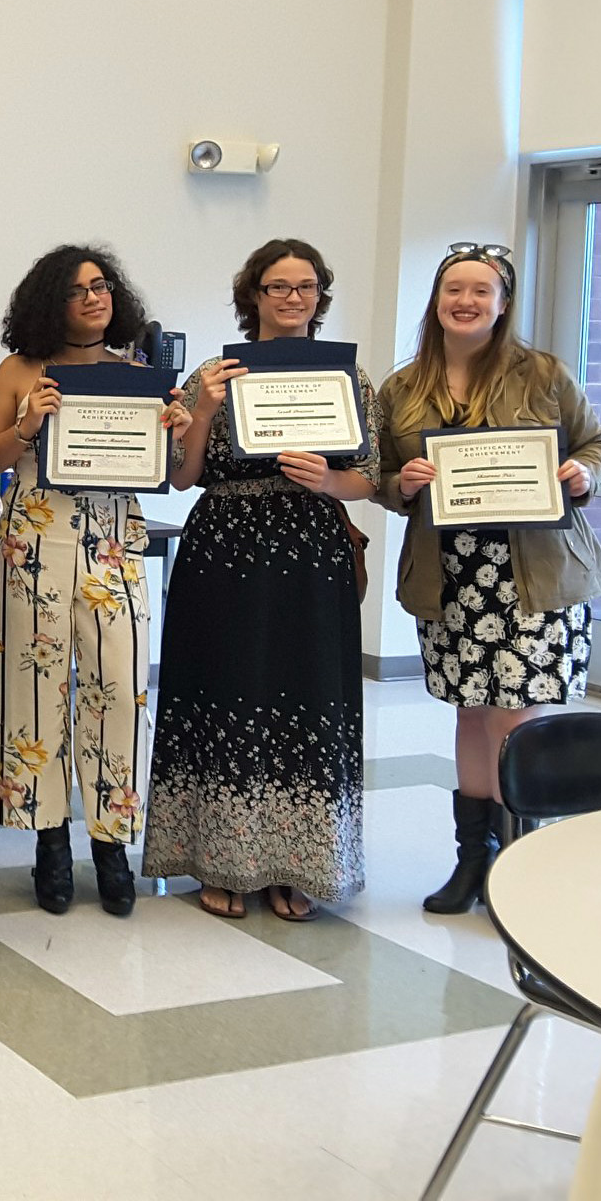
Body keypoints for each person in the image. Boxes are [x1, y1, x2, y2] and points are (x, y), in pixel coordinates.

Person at [140, 240, 378, 920]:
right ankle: (218, 861)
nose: (293, 298)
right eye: (278, 287)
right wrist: (207, 409)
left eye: (305, 287)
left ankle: (297, 865)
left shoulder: (350, 381)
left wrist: (330, 479)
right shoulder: (213, 374)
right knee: (223, 692)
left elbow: (372, 475)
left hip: (311, 553)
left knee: (309, 698)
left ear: (319, 296)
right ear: (253, 296)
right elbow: (179, 477)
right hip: (224, 552)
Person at [377, 243, 601, 914]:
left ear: (503, 304)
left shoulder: (543, 375)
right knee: (471, 712)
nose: (466, 301)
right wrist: (401, 483)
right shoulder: (405, 386)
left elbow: (596, 443)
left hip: (532, 575)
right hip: (449, 578)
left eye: (481, 291)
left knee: (514, 718)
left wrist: (584, 472)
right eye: (455, 289)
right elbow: (383, 476)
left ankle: (517, 871)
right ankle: (470, 864)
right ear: (437, 301)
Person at [0, 246, 183, 917]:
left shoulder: (139, 374)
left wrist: (177, 430)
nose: (94, 299)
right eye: (76, 291)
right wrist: (26, 426)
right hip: (35, 532)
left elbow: (171, 471)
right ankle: (48, 839)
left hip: (115, 540)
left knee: (118, 686)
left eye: (101, 287)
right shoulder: (20, 370)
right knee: (34, 689)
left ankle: (112, 841)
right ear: (48, 303)